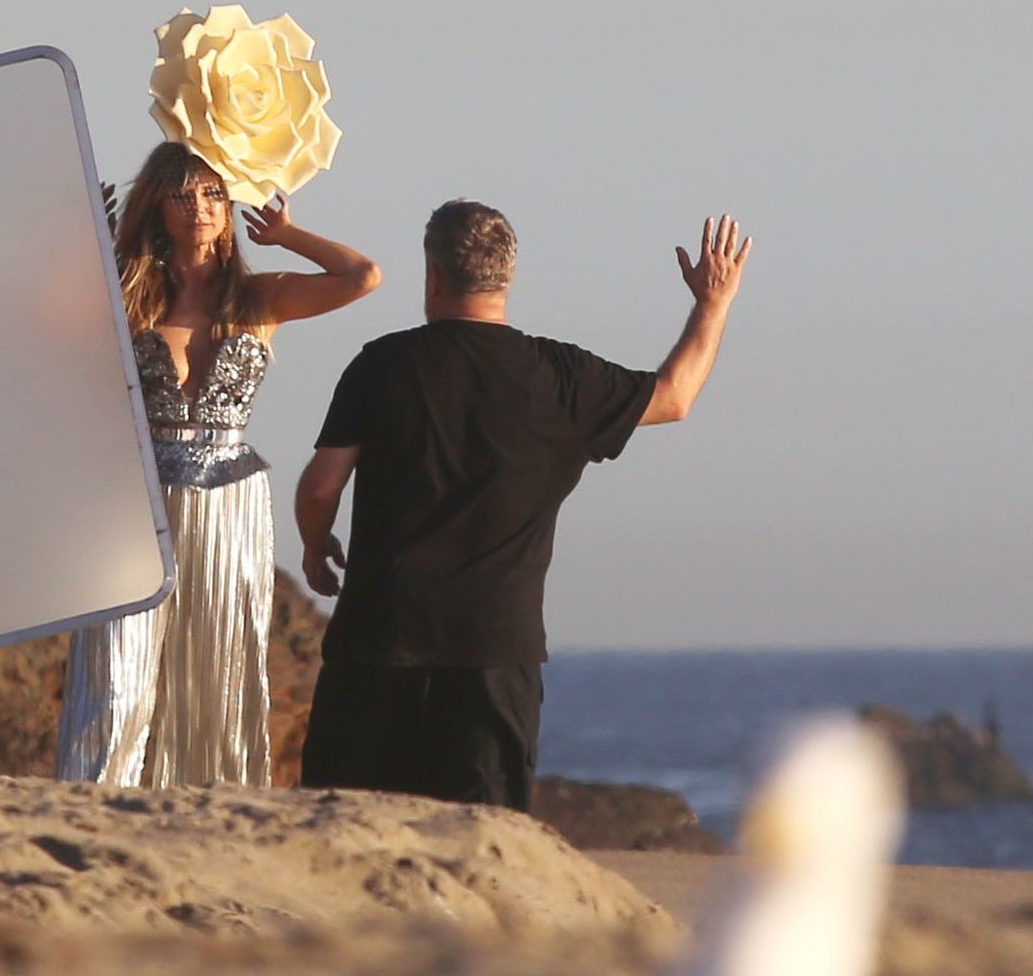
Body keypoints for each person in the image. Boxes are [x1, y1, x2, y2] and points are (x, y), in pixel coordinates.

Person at [295, 202, 751, 812]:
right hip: (494, 650)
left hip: (378, 638)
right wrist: (713, 303)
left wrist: (315, 543)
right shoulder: (560, 376)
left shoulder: (382, 364)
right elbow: (674, 397)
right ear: (508, 277)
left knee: (345, 828)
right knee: (482, 837)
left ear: (433, 274)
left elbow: (321, 487)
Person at [56, 141, 380, 787]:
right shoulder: (126, 296)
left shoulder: (260, 298)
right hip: (133, 500)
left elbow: (361, 276)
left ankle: (213, 802)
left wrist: (287, 235)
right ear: (156, 206)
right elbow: (41, 322)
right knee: (117, 673)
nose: (199, 207)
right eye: (181, 194)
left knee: (219, 665)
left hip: (228, 500)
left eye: (212, 194)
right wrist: (91, 251)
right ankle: (93, 797)